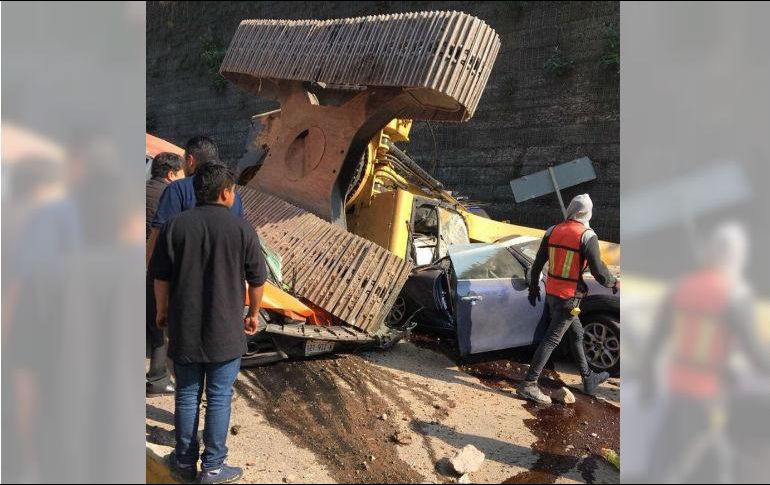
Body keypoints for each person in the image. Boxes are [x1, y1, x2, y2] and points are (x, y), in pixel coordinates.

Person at [149, 163, 267, 484]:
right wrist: (253, 313)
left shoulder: (175, 226)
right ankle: (213, 467)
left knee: (186, 395)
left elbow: (159, 276)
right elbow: (257, 279)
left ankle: (184, 463)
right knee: (218, 396)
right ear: (226, 192)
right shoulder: (241, 229)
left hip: (184, 327)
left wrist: (162, 311)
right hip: (226, 331)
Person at [517, 194, 619, 404]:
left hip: (553, 292)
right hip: (569, 298)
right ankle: (529, 383)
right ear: (587, 213)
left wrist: (535, 285)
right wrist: (613, 282)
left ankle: (588, 378)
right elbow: (598, 271)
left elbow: (538, 263)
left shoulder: (552, 230)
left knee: (577, 332)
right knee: (552, 339)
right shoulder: (587, 236)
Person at [146, 135, 244, 267]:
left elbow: (159, 233)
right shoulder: (235, 199)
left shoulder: (177, 188)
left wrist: (148, 266)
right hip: (215, 277)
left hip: (178, 275)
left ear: (190, 160)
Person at [145, 152, 185, 396]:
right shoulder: (171, 196)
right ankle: (158, 378)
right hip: (156, 267)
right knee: (160, 323)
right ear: (171, 174)